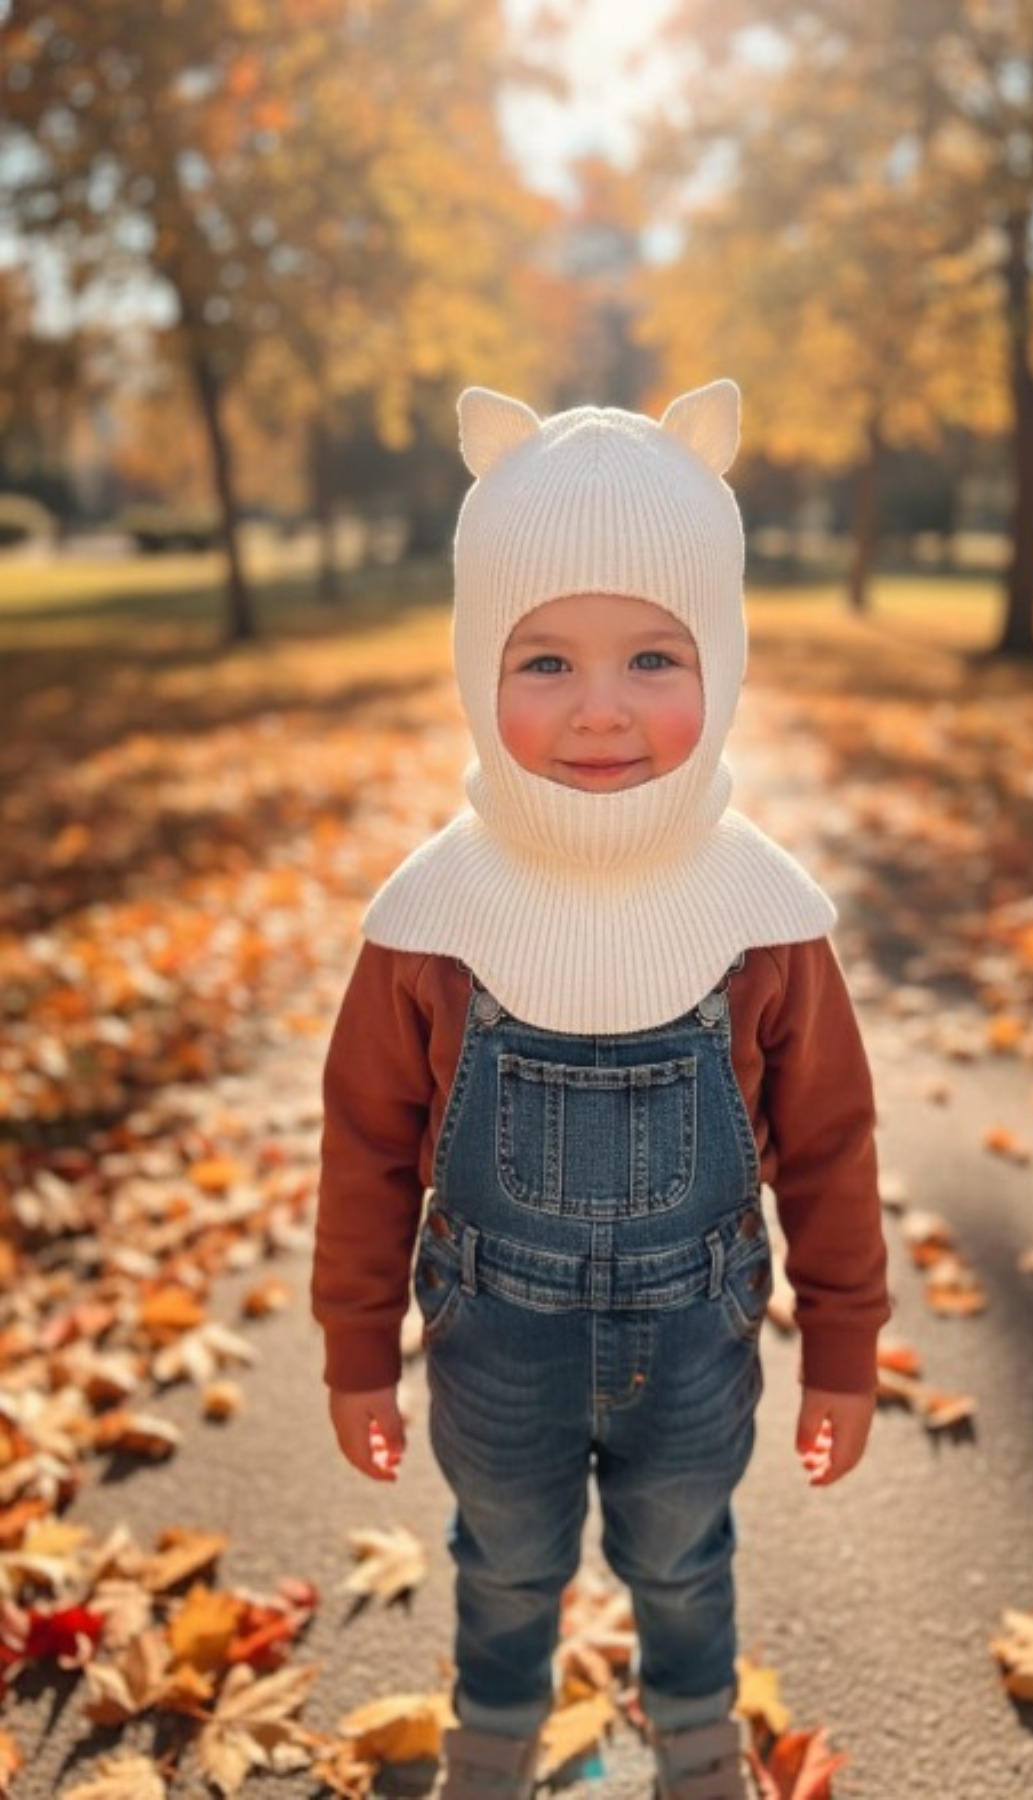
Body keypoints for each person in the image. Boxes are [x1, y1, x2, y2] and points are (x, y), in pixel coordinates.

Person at [312, 379, 890, 1800]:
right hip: (489, 1341)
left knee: (685, 1554)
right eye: (544, 662)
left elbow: (827, 1147)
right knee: (502, 1562)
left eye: (653, 657)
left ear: (726, 659)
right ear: (472, 667)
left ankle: (694, 1737)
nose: (601, 712)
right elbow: (367, 1147)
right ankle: (494, 1741)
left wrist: (846, 1344)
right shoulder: (434, 916)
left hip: (693, 1341)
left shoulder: (761, 915)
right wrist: (351, 1343)